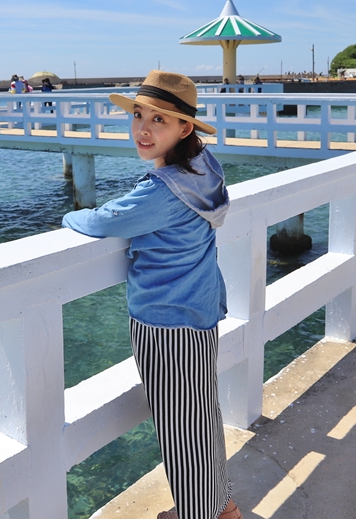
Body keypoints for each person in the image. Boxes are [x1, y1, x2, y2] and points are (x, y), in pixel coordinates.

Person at [62, 71, 242, 519]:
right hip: (199, 313)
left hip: (165, 322)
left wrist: (70, 216)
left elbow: (103, 222)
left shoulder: (163, 189)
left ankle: (199, 514)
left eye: (159, 120)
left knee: (181, 428)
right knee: (201, 417)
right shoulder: (204, 169)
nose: (143, 128)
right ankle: (221, 506)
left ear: (185, 129)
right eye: (138, 115)